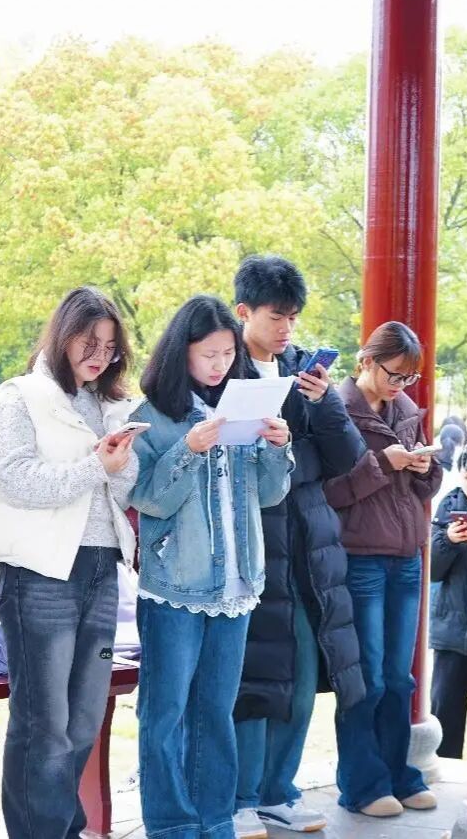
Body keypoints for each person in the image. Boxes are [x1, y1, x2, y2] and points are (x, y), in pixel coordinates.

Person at [0, 287, 141, 839]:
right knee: (43, 723)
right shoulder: (19, 396)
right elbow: (16, 478)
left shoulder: (111, 403)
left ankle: (63, 828)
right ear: (63, 336)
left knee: (85, 717)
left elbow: (122, 488)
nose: (100, 355)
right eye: (89, 342)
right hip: (40, 573)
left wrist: (118, 464)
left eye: (110, 347)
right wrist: (97, 467)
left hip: (101, 568)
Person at [130, 296, 294, 839]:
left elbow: (269, 495)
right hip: (175, 585)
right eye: (208, 354)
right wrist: (188, 449)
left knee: (216, 712)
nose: (220, 364)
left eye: (227, 353)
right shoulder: (150, 416)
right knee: (164, 713)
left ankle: (215, 822)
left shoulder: (244, 406)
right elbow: (147, 500)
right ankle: (171, 827)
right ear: (182, 353)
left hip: (237, 585)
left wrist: (278, 447)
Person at [229, 256, 366, 838]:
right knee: (253, 678)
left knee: (304, 673)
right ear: (244, 312)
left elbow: (347, 459)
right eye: (276, 316)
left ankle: (278, 792)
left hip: (308, 547)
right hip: (250, 541)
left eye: (293, 317)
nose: (287, 328)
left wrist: (324, 401)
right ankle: (239, 797)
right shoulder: (222, 364)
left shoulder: (304, 370)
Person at [323, 321, 443, 818]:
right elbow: (327, 492)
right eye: (395, 374)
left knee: (399, 677)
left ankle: (398, 774)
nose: (401, 385)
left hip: (407, 556)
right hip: (361, 559)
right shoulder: (336, 409)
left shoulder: (408, 411)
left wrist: (425, 469)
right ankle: (362, 784)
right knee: (366, 677)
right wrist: (383, 464)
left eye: (409, 378)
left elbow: (425, 488)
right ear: (367, 361)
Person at [428, 439, 467, 760]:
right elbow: (432, 570)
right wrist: (448, 539)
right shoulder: (449, 503)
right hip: (452, 630)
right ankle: (444, 770)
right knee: (445, 711)